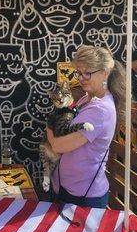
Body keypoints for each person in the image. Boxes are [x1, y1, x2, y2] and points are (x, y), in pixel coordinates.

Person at [47, 45, 126, 208]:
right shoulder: (87, 99)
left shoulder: (100, 110)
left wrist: (49, 125)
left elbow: (58, 145)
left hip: (82, 195)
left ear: (105, 72)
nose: (81, 78)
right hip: (71, 189)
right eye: (79, 73)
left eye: (87, 73)